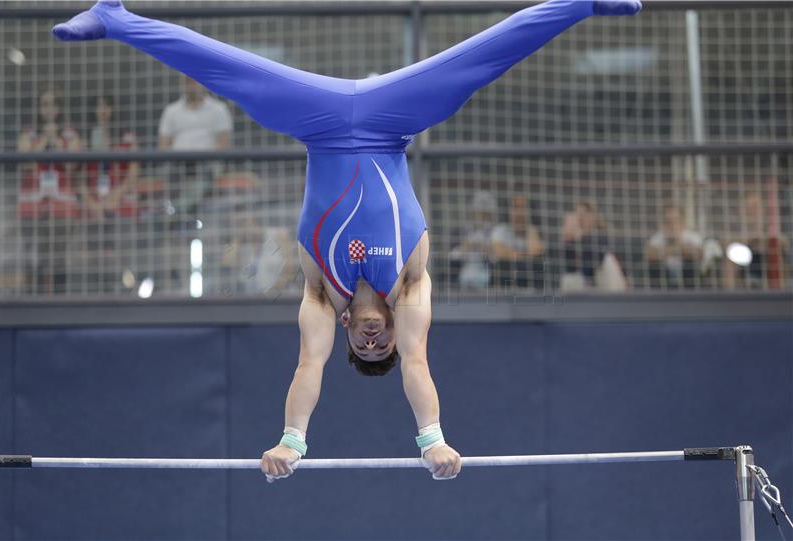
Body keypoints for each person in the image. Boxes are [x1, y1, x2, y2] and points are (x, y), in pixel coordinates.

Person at [53, 0, 642, 481]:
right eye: (379, 343)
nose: (372, 339)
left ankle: (117, 18)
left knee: (221, 67)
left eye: (363, 349)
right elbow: (417, 361)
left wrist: (291, 442)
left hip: (317, 124)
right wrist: (432, 440)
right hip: (392, 122)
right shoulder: (410, 287)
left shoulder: (319, 294)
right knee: (480, 60)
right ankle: (580, 1)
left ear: (347, 336)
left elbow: (309, 364)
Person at [17, 88, 83, 294]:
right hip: (33, 206)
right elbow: (26, 161)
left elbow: (73, 164)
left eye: (53, 104)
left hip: (62, 208)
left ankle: (59, 300)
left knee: (58, 257)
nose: (49, 109)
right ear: (39, 108)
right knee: (34, 256)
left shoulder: (70, 133)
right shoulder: (29, 133)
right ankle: (31, 303)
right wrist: (45, 139)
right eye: (45, 104)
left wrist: (56, 140)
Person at [82, 95, 140, 294]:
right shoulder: (86, 138)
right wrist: (93, 203)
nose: (102, 110)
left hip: (121, 205)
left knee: (124, 256)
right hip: (94, 208)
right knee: (97, 258)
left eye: (106, 105)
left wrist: (116, 195)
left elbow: (134, 171)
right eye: (98, 106)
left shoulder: (126, 137)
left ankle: (127, 294)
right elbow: (78, 176)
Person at [158, 75, 233, 216]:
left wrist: (211, 159)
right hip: (178, 162)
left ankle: (179, 211)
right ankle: (182, 210)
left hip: (206, 162)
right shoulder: (171, 111)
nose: (191, 85)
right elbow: (163, 145)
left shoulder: (219, 109)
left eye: (194, 81)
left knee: (205, 176)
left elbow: (224, 143)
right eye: (187, 81)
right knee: (169, 172)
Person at [490, 195, 545, 290]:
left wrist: (530, 230)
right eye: (515, 208)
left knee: (536, 266)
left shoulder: (533, 230)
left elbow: (536, 252)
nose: (519, 213)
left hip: (528, 279)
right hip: (505, 280)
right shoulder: (501, 230)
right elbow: (500, 253)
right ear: (509, 211)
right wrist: (525, 256)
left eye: (523, 208)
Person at [646, 205, 704, 289]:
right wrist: (679, 248)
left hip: (688, 281)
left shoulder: (692, 236)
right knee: (654, 266)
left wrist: (666, 250)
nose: (672, 226)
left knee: (692, 264)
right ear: (663, 224)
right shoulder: (658, 237)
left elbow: (698, 254)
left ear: (682, 223)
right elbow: (650, 255)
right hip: (665, 281)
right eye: (668, 222)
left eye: (676, 221)